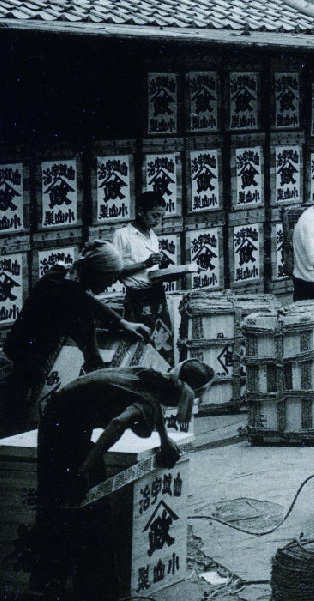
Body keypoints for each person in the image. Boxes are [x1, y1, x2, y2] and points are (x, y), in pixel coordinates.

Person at [32, 359, 214, 599]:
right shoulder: (148, 400)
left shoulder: (153, 378)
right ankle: (64, 585)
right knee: (76, 508)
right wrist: (84, 470)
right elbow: (119, 424)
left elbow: (153, 403)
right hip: (61, 434)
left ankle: (85, 585)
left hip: (68, 422)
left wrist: (163, 439)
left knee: (93, 505)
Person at [0, 241, 152, 437]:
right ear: (95, 273)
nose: (112, 284)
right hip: (17, 374)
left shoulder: (55, 277)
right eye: (111, 277)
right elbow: (93, 360)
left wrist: (121, 322)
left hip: (14, 364)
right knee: (11, 435)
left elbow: (86, 299)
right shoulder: (74, 304)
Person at [110, 191, 174, 363]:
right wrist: (145, 264)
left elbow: (152, 270)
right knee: (141, 344)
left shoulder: (152, 235)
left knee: (162, 343)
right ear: (140, 212)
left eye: (161, 216)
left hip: (157, 295)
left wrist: (166, 269)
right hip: (137, 298)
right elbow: (115, 272)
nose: (157, 221)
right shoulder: (122, 235)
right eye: (154, 215)